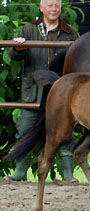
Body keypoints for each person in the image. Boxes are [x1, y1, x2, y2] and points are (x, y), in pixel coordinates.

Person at [4, 0, 79, 183]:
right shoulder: (28, 30)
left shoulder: (70, 33)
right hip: (33, 94)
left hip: (61, 95)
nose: (54, 9)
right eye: (50, 5)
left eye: (57, 5)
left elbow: (80, 59)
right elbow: (12, 55)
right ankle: (20, 173)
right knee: (24, 130)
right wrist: (17, 46)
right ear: (41, 8)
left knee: (65, 133)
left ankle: (68, 176)